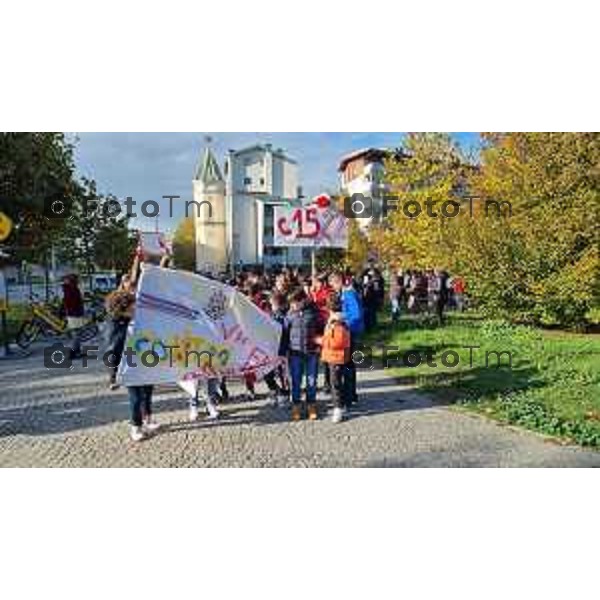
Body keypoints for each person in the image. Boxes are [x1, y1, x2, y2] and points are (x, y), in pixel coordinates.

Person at [286, 288, 321, 421]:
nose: (292, 306)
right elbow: (284, 334)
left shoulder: (313, 313)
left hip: (312, 353)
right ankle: (296, 405)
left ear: (303, 300)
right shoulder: (289, 315)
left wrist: (319, 346)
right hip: (295, 353)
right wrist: (283, 352)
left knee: (311, 380)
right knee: (296, 380)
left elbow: (320, 329)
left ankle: (311, 404)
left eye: (295, 303)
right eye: (291, 303)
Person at [330, 271, 364, 406]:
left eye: (332, 283)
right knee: (348, 365)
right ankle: (351, 395)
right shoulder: (344, 294)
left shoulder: (349, 294)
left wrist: (341, 319)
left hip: (351, 333)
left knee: (348, 365)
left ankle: (350, 396)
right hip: (348, 332)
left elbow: (356, 315)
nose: (332, 286)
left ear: (338, 281)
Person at [319, 294, 351, 423]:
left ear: (329, 308)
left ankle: (338, 408)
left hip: (335, 356)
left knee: (335, 383)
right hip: (340, 356)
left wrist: (320, 340)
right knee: (340, 381)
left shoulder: (335, 322)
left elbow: (336, 342)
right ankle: (343, 403)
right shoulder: (341, 320)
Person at [104, 271, 136, 389]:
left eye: (132, 284)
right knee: (114, 351)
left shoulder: (131, 295)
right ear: (123, 283)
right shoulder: (117, 296)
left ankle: (125, 375)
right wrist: (127, 314)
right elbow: (114, 311)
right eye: (128, 282)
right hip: (116, 326)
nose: (131, 285)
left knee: (126, 351)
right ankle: (113, 378)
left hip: (123, 324)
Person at [263, 291, 290, 406]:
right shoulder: (270, 316)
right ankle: (276, 392)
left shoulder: (284, 317)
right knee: (271, 374)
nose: (272, 306)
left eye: (273, 303)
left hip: (280, 350)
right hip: (272, 350)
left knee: (281, 375)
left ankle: (283, 395)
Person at [310, 274, 332, 396]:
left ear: (322, 283)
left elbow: (323, 305)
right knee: (318, 356)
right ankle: (319, 382)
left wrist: (314, 296)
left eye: (316, 282)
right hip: (316, 326)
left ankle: (327, 383)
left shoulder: (327, 292)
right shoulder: (315, 292)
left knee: (326, 356)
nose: (314, 284)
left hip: (325, 325)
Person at [62, 274, 85, 358]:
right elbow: (77, 301)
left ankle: (77, 351)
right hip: (74, 314)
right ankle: (73, 352)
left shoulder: (69, 289)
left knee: (77, 334)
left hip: (73, 313)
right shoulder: (72, 290)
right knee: (76, 334)